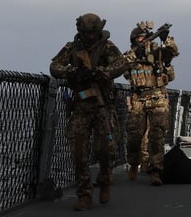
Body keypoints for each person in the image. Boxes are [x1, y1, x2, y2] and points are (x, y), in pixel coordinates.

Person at [49, 13, 133, 211]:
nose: (90, 37)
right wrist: (73, 72)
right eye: (87, 33)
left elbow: (121, 64)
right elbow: (54, 66)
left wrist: (100, 72)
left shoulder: (107, 46)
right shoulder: (72, 47)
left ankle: (104, 179)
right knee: (78, 152)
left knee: (106, 149)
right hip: (81, 107)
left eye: (93, 33)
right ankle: (84, 194)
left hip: (103, 105)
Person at [124, 21, 179, 186]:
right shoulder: (131, 55)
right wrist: (136, 55)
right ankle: (134, 163)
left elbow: (173, 51)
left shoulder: (158, 53)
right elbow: (122, 69)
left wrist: (166, 38)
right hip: (138, 97)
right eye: (138, 38)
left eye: (144, 38)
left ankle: (156, 171)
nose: (142, 41)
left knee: (157, 136)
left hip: (157, 96)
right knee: (134, 135)